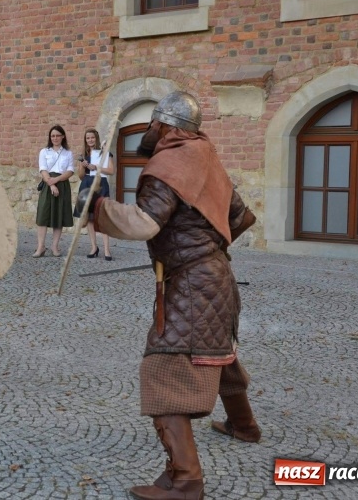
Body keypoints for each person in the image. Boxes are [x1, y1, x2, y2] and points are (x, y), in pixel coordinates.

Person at [78, 92, 260, 500]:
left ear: (166, 126)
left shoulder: (170, 163)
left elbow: (144, 222)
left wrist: (99, 209)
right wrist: (206, 247)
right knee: (218, 353)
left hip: (193, 284)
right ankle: (244, 426)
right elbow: (240, 217)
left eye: (154, 124)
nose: (150, 133)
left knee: (163, 373)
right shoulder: (204, 156)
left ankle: (185, 481)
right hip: (218, 277)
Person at [73, 128, 114, 260]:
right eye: (87, 138)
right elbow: (80, 176)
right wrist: (83, 167)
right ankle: (93, 247)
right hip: (86, 185)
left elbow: (111, 170)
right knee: (89, 218)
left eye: (92, 138)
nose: (90, 140)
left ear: (96, 138)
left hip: (101, 185)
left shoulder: (105, 153)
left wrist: (96, 167)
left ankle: (107, 249)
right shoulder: (84, 155)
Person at [33, 125, 74, 257]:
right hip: (48, 184)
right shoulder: (44, 152)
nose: (55, 138)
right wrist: (51, 184)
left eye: (57, 135)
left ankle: (55, 246)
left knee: (59, 216)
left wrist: (56, 181)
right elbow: (43, 169)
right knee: (43, 215)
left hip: (62, 185)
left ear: (63, 136)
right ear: (50, 138)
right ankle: (40, 247)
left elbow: (70, 171)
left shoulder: (68, 153)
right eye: (52, 136)